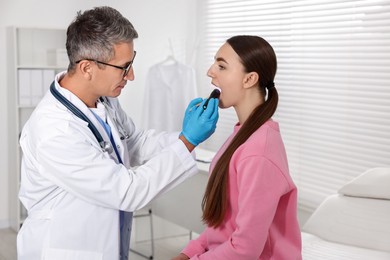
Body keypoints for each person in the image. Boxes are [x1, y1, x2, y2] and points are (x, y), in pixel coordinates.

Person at [17, 6, 219, 260]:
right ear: (87, 68)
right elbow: (127, 191)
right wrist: (188, 142)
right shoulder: (55, 130)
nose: (131, 75)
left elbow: (135, 142)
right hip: (65, 250)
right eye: (124, 67)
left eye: (131, 63)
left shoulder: (103, 100)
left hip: (105, 245)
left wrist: (184, 135)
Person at [172, 35, 302, 260]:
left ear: (249, 79)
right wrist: (188, 253)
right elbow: (224, 226)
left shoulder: (258, 152)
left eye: (221, 66)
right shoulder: (242, 134)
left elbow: (244, 249)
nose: (210, 71)